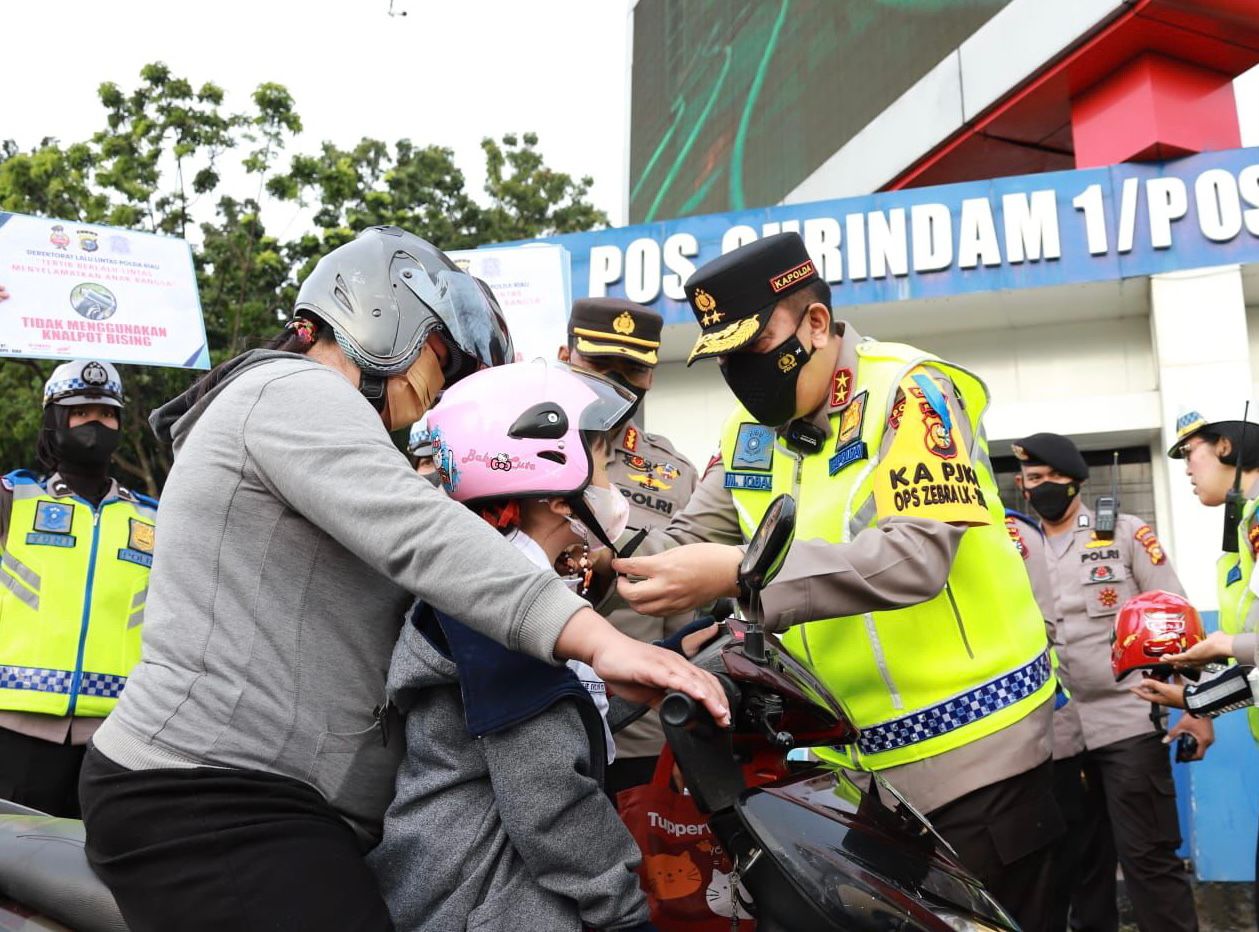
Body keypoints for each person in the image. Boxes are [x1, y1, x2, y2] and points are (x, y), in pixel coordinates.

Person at [76, 227, 727, 932]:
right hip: (208, 795)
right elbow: (425, 535)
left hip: (273, 800)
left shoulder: (327, 425)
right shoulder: (290, 391)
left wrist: (644, 667)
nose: (436, 390)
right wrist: (600, 641)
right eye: (442, 360)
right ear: (384, 313)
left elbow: (483, 698)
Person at [613, 232, 1060, 928]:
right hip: (855, 776)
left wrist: (740, 575)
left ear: (815, 324)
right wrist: (587, 552)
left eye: (753, 348)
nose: (739, 373)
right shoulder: (748, 434)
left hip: (978, 756)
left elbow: (916, 556)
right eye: (723, 358)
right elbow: (683, 540)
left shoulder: (912, 392)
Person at [370, 362, 653, 932]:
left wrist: (679, 659)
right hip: (482, 903)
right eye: (601, 465)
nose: (610, 483)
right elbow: (549, 796)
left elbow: (566, 710)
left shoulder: (501, 587)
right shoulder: (499, 619)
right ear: (557, 493)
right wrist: (624, 914)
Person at [1012, 432, 1204, 932]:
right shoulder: (1014, 549)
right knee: (1079, 865)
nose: (1044, 486)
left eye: (1054, 477)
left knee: (1149, 857)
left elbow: (1176, 620)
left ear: (1077, 482)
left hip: (1128, 719)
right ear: (1022, 485)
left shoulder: (1123, 533)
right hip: (1056, 733)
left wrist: (1196, 707)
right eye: (1034, 478)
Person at [0, 359, 156, 818]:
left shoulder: (151, 518)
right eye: (81, 412)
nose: (95, 424)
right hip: (13, 731)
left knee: (91, 860)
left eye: (107, 414)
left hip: (115, 738)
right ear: (54, 420)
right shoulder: (13, 499)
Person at [558, 297, 699, 795]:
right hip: (539, 715)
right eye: (600, 364)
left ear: (651, 376)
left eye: (632, 368)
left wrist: (688, 734)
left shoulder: (674, 473)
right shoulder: (516, 445)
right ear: (565, 356)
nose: (615, 381)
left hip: (639, 732)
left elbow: (686, 616)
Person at [1132, 407, 1259, 917]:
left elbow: (1247, 651)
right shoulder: (1245, 528)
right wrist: (1195, 697)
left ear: (1225, 447)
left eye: (1190, 453)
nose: (1186, 469)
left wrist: (1224, 649)